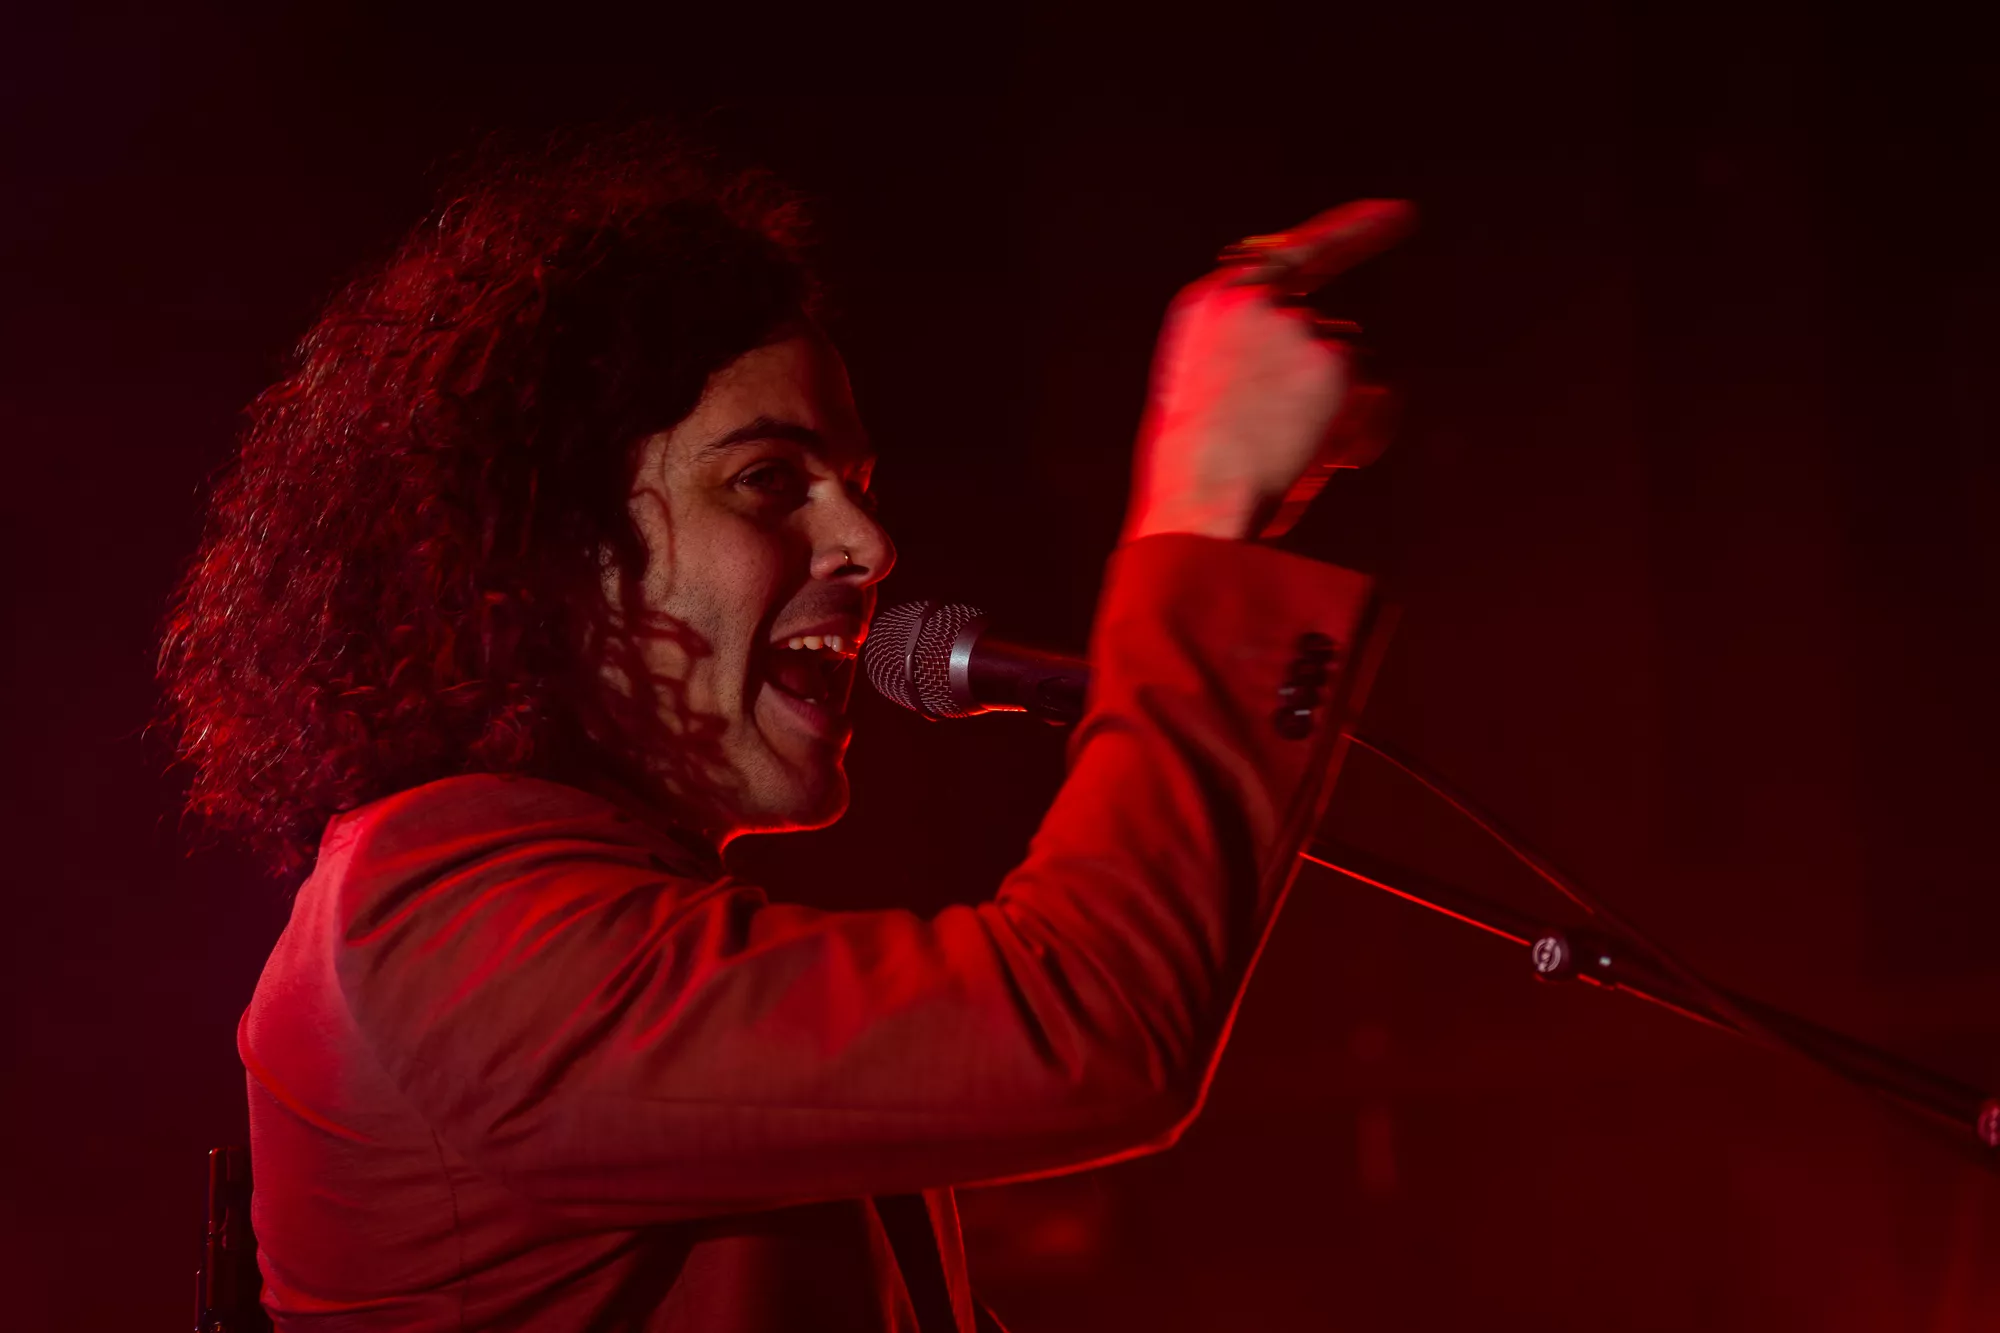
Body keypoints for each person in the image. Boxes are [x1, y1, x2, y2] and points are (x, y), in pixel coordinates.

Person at [159, 128, 1405, 1332]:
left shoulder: (576, 908)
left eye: (855, 487)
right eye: (767, 480)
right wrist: (1204, 501)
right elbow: (1085, 1024)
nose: (867, 544)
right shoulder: (435, 917)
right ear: (547, 553)